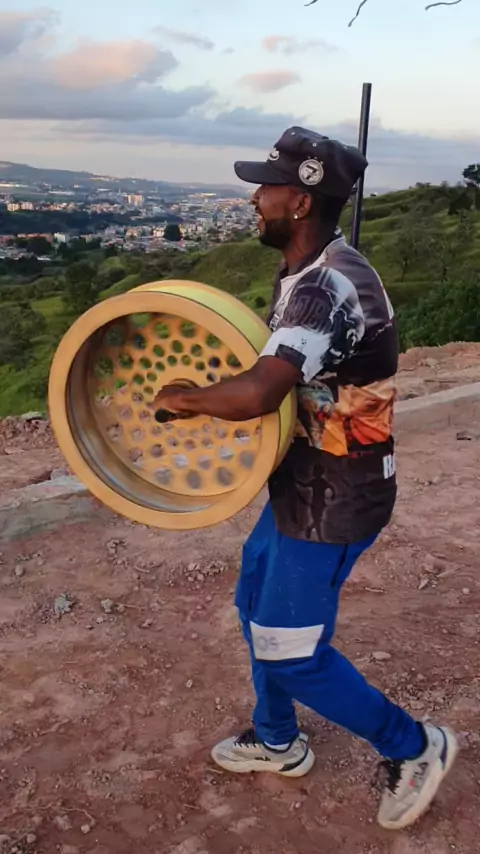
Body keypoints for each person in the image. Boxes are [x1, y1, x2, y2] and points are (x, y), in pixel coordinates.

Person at [152, 126, 457, 831]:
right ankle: (277, 739)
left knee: (289, 648)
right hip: (302, 479)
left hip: (338, 494)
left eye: (265, 187)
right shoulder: (306, 268)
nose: (254, 199)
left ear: (300, 200)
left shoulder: (326, 285)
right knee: (254, 601)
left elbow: (261, 392)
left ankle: (415, 747)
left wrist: (186, 398)